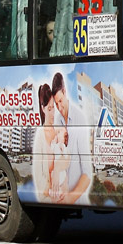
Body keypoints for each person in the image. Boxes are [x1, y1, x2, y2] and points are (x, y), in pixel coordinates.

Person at [51, 71, 92, 205]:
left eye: (60, 101)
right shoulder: (57, 120)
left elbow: (87, 173)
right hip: (61, 197)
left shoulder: (79, 118)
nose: (59, 107)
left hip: (77, 200)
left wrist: (69, 199)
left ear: (65, 91)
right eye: (56, 104)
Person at [31, 81, 70, 202]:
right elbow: (38, 177)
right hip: (47, 196)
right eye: (49, 109)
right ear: (43, 109)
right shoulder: (40, 136)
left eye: (53, 108)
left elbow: (67, 158)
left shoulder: (58, 130)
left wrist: (58, 173)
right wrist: (52, 193)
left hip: (61, 191)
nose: (53, 113)